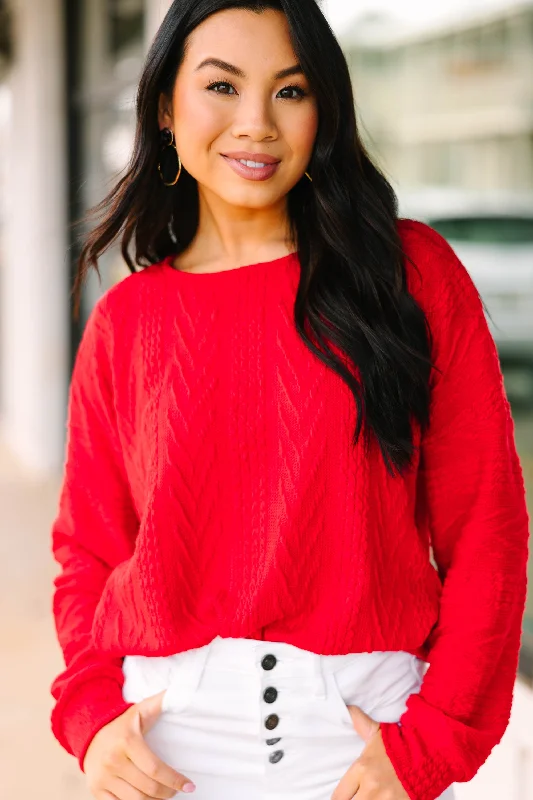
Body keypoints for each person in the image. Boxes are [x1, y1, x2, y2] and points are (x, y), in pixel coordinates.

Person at [49, 1, 530, 799]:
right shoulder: (127, 321)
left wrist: (436, 739)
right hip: (168, 749)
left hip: (367, 741)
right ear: (167, 107)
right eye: (222, 87)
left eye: (290, 91)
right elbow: (89, 553)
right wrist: (92, 719)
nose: (256, 123)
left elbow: (486, 527)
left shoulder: (408, 276)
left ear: (324, 111)